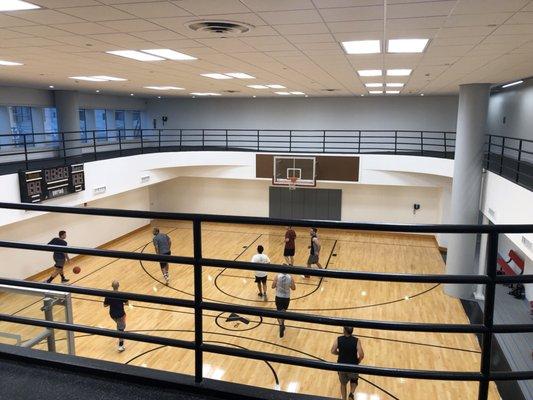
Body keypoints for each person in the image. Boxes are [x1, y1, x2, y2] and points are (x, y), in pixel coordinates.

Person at [331, 326, 364, 400]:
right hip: (353, 365)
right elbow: (361, 355)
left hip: (341, 366)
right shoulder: (357, 340)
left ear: (344, 330)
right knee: (354, 380)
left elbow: (333, 350)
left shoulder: (338, 339)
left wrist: (339, 353)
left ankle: (344, 399)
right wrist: (358, 361)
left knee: (343, 384)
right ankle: (351, 394)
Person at [103, 280, 129, 352]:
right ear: (118, 286)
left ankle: (120, 332)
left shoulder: (108, 295)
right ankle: (121, 345)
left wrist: (111, 303)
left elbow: (105, 305)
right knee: (121, 328)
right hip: (120, 314)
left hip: (112, 314)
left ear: (112, 286)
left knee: (120, 326)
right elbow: (127, 303)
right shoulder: (121, 294)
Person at [271, 269, 295, 338]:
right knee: (284, 312)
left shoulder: (277, 276)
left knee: (278, 312)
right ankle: (283, 324)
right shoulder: (290, 277)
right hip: (286, 297)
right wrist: (288, 285)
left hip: (279, 297)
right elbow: (293, 288)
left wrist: (277, 285)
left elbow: (272, 286)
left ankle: (281, 325)